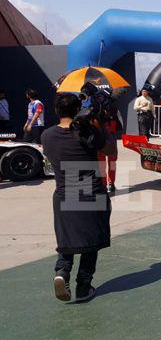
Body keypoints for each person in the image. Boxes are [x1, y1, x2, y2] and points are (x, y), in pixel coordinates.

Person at [42, 93, 110, 303]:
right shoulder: (87, 132)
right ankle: (83, 285)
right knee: (92, 241)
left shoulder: (47, 135)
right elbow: (110, 149)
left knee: (67, 240)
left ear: (56, 110)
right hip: (90, 191)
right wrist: (100, 124)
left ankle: (62, 272)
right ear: (78, 108)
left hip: (64, 192)